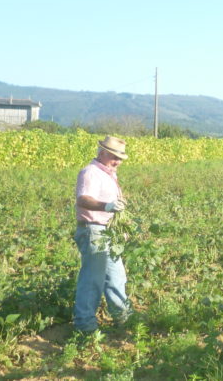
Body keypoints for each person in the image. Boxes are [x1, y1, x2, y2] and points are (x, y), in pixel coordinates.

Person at [73, 136, 132, 333]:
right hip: (93, 230)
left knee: (117, 277)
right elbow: (83, 199)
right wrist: (106, 206)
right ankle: (85, 326)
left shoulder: (108, 174)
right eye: (114, 157)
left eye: (120, 158)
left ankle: (123, 319)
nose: (118, 162)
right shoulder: (90, 173)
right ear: (102, 153)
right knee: (92, 280)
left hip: (107, 232)